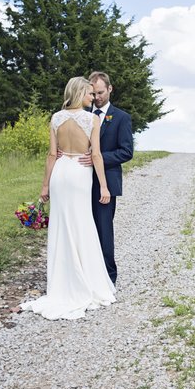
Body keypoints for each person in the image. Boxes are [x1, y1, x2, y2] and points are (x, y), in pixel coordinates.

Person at [20, 77, 116, 319]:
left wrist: (45, 186)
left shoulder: (56, 118)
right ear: (79, 92)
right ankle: (85, 280)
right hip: (79, 174)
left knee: (61, 226)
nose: (92, 98)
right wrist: (104, 187)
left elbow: (52, 155)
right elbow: (96, 156)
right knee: (81, 223)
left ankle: (61, 283)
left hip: (60, 173)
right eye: (89, 93)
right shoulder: (91, 119)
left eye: (94, 94)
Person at [75, 71, 134, 285]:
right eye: (93, 93)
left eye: (100, 92)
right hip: (80, 181)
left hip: (106, 182)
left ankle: (109, 278)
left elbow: (126, 152)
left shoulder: (121, 118)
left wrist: (97, 158)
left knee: (104, 230)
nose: (97, 97)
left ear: (110, 89)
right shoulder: (81, 115)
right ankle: (85, 275)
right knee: (82, 228)